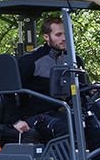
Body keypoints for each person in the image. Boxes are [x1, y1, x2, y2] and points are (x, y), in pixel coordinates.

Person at [9, 16, 70, 144]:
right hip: (34, 116)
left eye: (65, 34)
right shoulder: (31, 61)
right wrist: (15, 120)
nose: (64, 38)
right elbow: (8, 90)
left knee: (92, 123)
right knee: (63, 128)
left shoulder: (72, 60)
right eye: (58, 35)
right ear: (46, 37)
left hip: (60, 112)